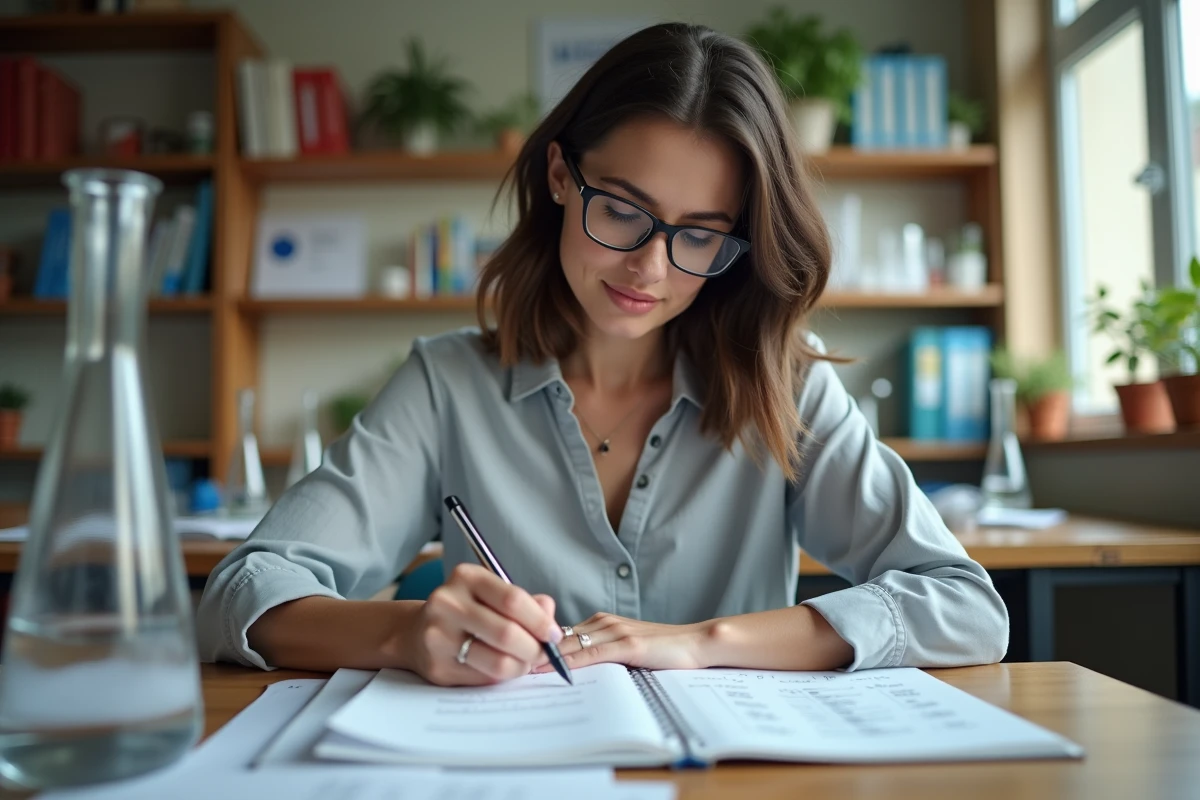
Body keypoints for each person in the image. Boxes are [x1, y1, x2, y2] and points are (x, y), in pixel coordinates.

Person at [196, 22, 1008, 685]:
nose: (649, 269)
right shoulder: (446, 386)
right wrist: (407, 631)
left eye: (700, 235)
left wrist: (700, 640)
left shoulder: (785, 389)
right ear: (559, 176)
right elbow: (239, 594)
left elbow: (968, 607)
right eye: (622, 210)